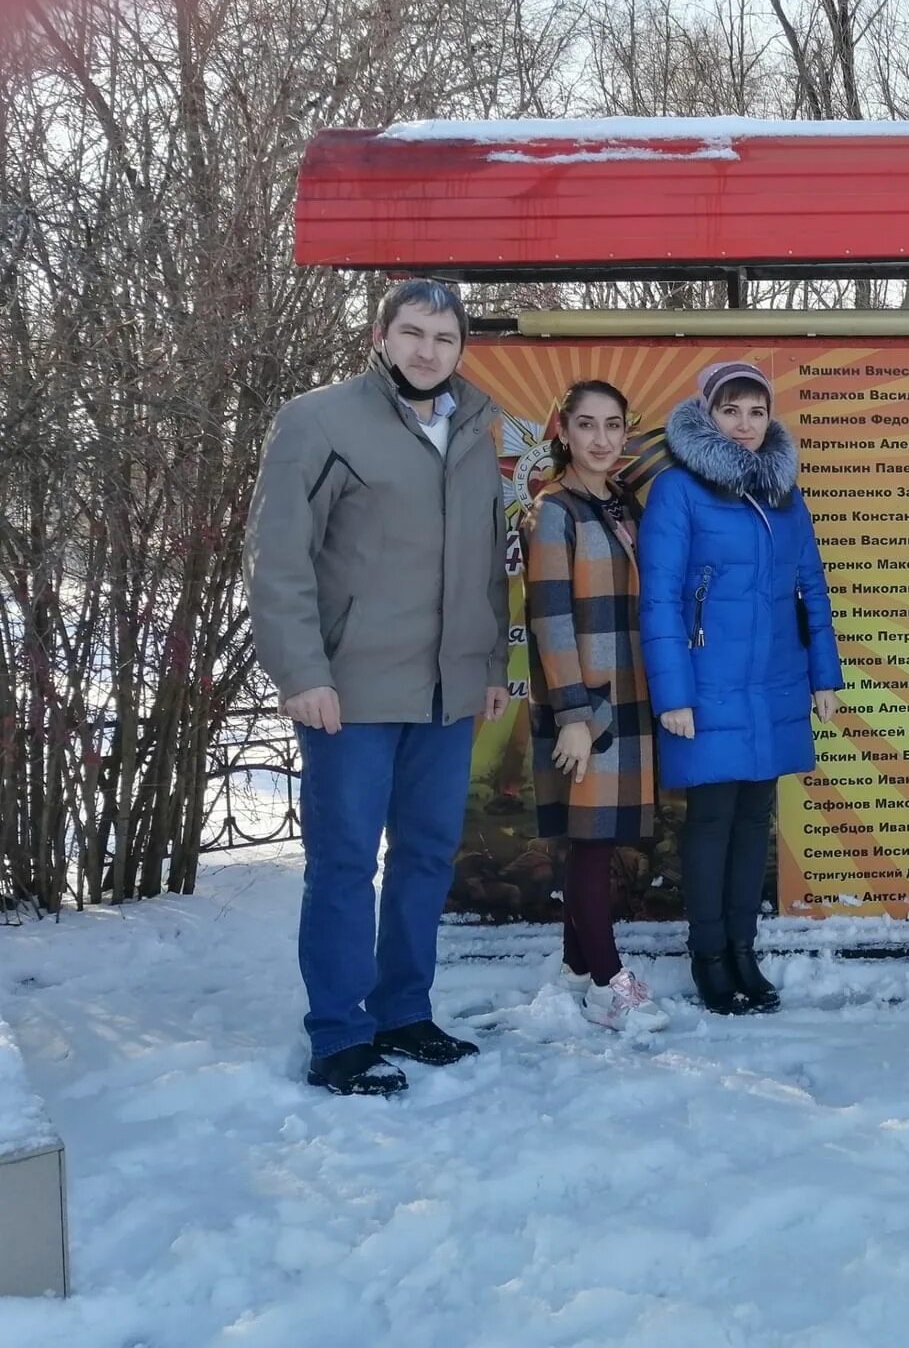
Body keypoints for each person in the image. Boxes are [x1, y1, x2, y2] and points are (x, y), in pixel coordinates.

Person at [247, 279, 510, 1096]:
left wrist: (491, 664)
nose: (428, 350)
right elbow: (279, 558)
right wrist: (302, 674)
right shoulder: (319, 421)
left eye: (444, 337)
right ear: (382, 335)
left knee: (427, 858)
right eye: (413, 333)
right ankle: (339, 1033)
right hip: (351, 690)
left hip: (446, 690)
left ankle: (404, 1010)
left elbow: (484, 559)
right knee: (344, 861)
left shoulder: (474, 426)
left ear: (461, 348)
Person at [639, 362, 843, 1014]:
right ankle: (710, 957)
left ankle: (744, 952)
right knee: (712, 821)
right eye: (732, 410)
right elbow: (661, 597)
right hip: (708, 686)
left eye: (756, 411)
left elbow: (812, 588)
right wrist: (673, 694)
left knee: (755, 819)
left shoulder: (785, 496)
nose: (746, 424)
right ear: (708, 413)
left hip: (775, 683)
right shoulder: (678, 490)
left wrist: (824, 679)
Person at [524, 381, 669, 1032]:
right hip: (588, 702)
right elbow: (550, 617)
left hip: (629, 693)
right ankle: (611, 983)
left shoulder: (620, 502)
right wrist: (574, 715)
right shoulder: (555, 509)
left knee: (600, 839)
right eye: (587, 425)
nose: (602, 439)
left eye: (613, 425)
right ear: (564, 433)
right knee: (589, 843)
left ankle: (576, 971)